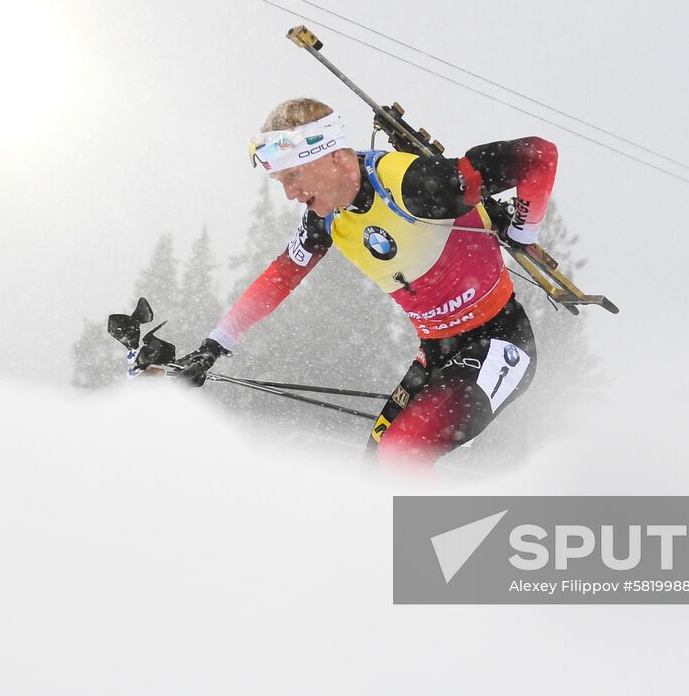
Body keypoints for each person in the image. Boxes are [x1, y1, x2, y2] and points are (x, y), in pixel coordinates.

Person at [176, 98, 559, 469]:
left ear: (335, 157)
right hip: (436, 353)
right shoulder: (324, 219)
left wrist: (524, 231)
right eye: (281, 182)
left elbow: (538, 156)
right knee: (377, 473)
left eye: (292, 176)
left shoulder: (412, 186)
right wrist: (213, 346)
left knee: (400, 456)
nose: (290, 194)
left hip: (500, 342)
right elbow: (279, 278)